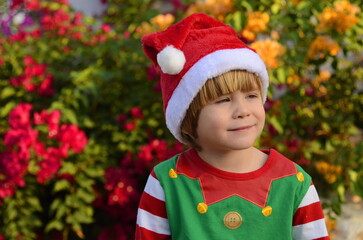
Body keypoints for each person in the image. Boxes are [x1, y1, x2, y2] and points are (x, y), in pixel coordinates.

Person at [135, 12, 330, 240]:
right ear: (188, 114)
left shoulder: (294, 183)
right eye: (223, 100)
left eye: (251, 96)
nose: (243, 111)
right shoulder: (168, 182)